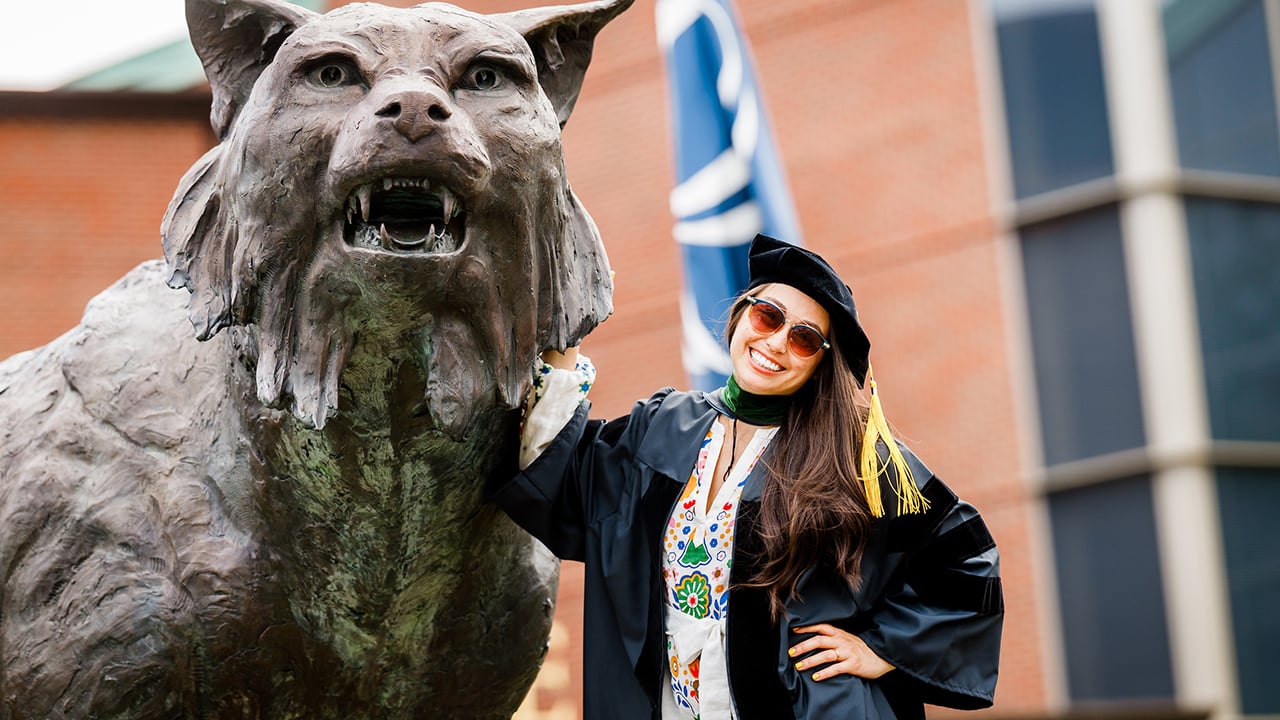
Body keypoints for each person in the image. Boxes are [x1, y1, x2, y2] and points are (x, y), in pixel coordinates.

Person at [489, 234, 1003, 719]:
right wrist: (570, 325)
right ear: (741, 315)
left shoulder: (851, 457)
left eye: (804, 339)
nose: (777, 342)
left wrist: (879, 649)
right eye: (768, 316)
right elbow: (558, 471)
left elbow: (966, 561)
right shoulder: (664, 425)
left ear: (822, 364)